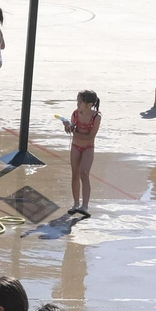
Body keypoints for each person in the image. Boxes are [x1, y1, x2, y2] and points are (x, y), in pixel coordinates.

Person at [62, 89, 101, 217]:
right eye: (77, 101)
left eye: (80, 102)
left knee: (84, 174)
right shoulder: (75, 114)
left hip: (88, 148)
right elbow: (71, 129)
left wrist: (74, 132)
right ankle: (75, 204)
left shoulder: (96, 117)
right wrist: (67, 127)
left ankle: (85, 206)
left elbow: (90, 137)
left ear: (89, 105)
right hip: (75, 146)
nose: (77, 104)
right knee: (75, 175)